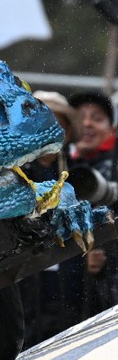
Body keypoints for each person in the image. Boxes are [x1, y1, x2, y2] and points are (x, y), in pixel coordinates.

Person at [19, 91, 83, 348]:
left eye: (58, 123)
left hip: (68, 272)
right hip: (25, 272)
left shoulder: (80, 173)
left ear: (67, 131)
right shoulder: (13, 173)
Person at [67, 90, 118, 321]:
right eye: (80, 118)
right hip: (71, 292)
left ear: (111, 126)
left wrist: (107, 255)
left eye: (97, 118)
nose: (87, 124)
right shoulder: (61, 164)